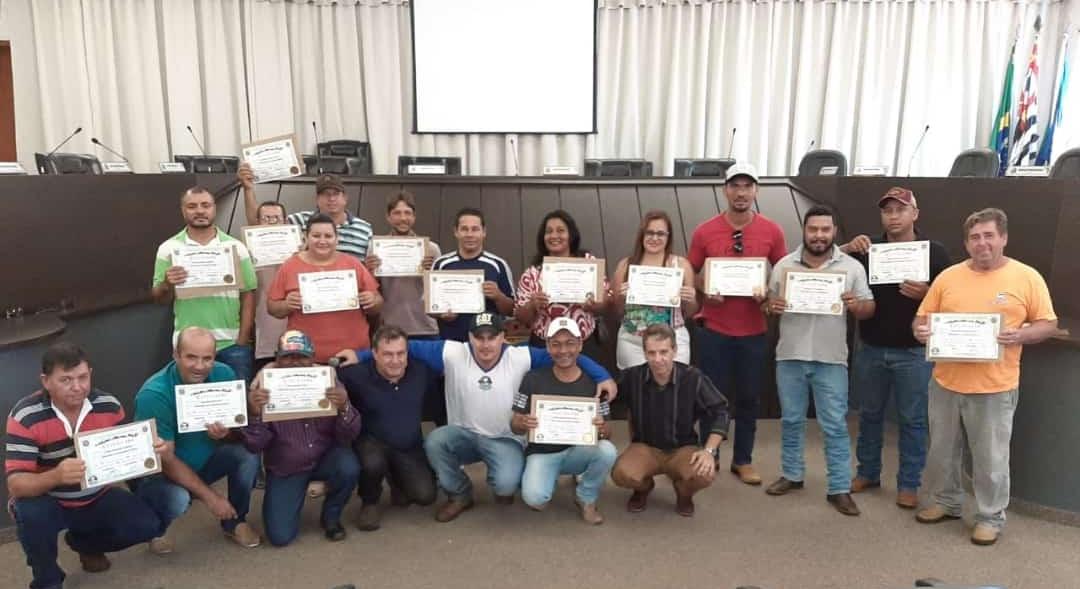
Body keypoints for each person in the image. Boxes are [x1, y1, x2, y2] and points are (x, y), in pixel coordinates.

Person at [336, 313, 616, 523]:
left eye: (492, 337)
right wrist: (361, 355)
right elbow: (406, 347)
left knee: (506, 485)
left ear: (503, 337)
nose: (485, 344)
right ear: (469, 337)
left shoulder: (521, 356)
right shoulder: (452, 352)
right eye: (479, 337)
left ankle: (506, 479)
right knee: (435, 441)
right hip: (463, 434)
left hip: (504, 438)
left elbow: (565, 354)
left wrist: (602, 375)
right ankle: (460, 494)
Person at [913, 208, 1057, 546]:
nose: (982, 243)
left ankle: (990, 517)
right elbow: (922, 318)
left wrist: (1021, 335)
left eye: (989, 235)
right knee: (942, 451)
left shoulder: (1027, 277)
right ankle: (947, 502)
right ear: (966, 243)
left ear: (1003, 238)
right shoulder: (948, 277)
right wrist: (920, 331)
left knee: (991, 459)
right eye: (975, 237)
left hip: (994, 387)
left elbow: (1047, 324)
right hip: (945, 383)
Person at [6, 342, 164, 589]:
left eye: (82, 377)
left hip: (96, 495)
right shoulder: (25, 415)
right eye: (66, 380)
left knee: (148, 526)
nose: (77, 387)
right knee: (30, 513)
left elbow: (126, 457)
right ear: (46, 381)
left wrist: (149, 451)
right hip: (49, 500)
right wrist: (56, 476)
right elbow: (16, 485)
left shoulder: (109, 405)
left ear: (90, 373)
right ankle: (48, 580)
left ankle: (85, 544)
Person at [838, 187, 951, 509]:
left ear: (915, 214)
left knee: (912, 420)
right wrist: (847, 247)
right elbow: (825, 262)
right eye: (887, 211)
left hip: (914, 353)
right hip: (871, 347)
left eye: (900, 210)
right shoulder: (867, 249)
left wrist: (927, 294)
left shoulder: (935, 253)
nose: (893, 216)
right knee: (869, 415)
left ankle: (909, 484)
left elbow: (953, 299)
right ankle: (868, 472)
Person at [764, 205, 875, 516]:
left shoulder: (852, 267)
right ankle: (792, 474)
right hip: (790, 356)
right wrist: (772, 306)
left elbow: (869, 308)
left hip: (831, 359)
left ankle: (839, 488)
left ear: (834, 231)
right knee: (791, 421)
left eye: (825, 229)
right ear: (804, 230)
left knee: (835, 425)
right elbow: (768, 304)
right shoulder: (784, 265)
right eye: (813, 229)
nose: (819, 235)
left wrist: (856, 306)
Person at [687, 163, 787, 486]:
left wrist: (768, 294)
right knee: (710, 398)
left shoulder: (772, 231)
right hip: (713, 329)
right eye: (735, 186)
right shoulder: (704, 231)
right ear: (725, 190)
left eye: (747, 186)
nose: (741, 193)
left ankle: (743, 460)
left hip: (753, 332)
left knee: (748, 399)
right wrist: (705, 288)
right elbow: (690, 273)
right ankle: (710, 455)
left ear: (756, 190)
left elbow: (783, 273)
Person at [132, 327, 262, 552]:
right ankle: (155, 530)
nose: (200, 366)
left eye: (207, 358)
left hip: (204, 461)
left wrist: (227, 434)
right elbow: (165, 460)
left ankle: (235, 521)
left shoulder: (224, 374)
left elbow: (238, 433)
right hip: (161, 473)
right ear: (176, 355)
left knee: (247, 454)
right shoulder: (154, 394)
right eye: (191, 357)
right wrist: (211, 497)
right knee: (178, 499)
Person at [242, 330, 361, 546]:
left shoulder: (328, 380)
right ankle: (304, 489)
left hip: (325, 458)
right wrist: (255, 414)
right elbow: (254, 445)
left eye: (302, 356)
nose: (295, 362)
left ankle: (331, 516)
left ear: (312, 357)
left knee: (349, 466)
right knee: (280, 537)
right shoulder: (263, 389)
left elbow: (350, 434)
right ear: (277, 358)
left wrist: (344, 406)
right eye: (288, 357)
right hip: (287, 468)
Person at [611, 324, 729, 517]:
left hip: (682, 448)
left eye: (664, 352)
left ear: (674, 350)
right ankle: (643, 488)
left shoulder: (693, 377)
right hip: (645, 447)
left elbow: (721, 410)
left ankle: (684, 492)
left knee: (705, 473)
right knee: (621, 474)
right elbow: (608, 398)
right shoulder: (632, 377)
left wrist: (709, 451)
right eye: (652, 353)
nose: (658, 359)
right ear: (644, 353)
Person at [511, 318, 617, 524]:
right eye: (556, 344)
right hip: (542, 452)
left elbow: (608, 432)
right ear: (548, 346)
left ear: (580, 345)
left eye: (570, 343)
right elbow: (514, 425)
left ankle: (586, 497)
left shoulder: (595, 383)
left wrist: (602, 428)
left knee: (607, 450)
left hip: (577, 451)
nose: (563, 350)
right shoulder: (532, 378)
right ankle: (546, 477)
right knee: (535, 499)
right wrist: (522, 423)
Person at [152, 186, 258, 383]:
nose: (200, 211)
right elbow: (159, 299)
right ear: (183, 210)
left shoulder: (236, 247)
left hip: (231, 345)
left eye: (205, 205)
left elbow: (248, 295)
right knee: (193, 401)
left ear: (214, 208)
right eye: (192, 206)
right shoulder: (168, 248)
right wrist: (167, 283)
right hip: (187, 348)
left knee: (236, 402)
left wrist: (242, 340)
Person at [337, 325, 439, 532]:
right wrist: (273, 368)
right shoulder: (354, 374)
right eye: (388, 354)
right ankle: (370, 502)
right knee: (372, 463)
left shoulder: (421, 371)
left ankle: (397, 481)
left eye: (401, 353)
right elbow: (319, 375)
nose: (395, 360)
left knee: (425, 496)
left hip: (408, 445)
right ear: (374, 354)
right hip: (372, 442)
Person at [267, 213, 383, 363]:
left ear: (337, 238)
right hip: (305, 358)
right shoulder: (289, 266)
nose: (322, 241)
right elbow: (272, 308)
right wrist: (286, 305)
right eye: (316, 236)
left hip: (353, 355)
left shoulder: (353, 264)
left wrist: (372, 300)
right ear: (306, 237)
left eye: (328, 236)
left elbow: (378, 303)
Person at [515, 209, 609, 359]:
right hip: (544, 347)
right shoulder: (532, 273)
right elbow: (520, 316)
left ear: (571, 235)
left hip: (584, 344)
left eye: (560, 231)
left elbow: (606, 304)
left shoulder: (588, 263)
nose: (554, 236)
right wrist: (532, 305)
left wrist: (594, 305)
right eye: (549, 231)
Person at [611, 210, 698, 369]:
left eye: (661, 234)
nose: (655, 238)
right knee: (636, 384)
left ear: (668, 236)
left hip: (672, 340)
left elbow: (690, 312)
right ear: (642, 234)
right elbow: (616, 311)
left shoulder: (681, 265)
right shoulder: (626, 265)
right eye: (649, 232)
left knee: (674, 383)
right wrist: (621, 298)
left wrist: (690, 299)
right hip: (633, 341)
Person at [431, 207, 515, 342]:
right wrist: (441, 314)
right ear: (456, 232)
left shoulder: (498, 265)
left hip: (488, 345)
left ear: (484, 232)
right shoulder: (441, 264)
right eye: (464, 229)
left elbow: (512, 310)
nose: (469, 234)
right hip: (451, 341)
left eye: (475, 229)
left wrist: (498, 296)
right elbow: (430, 308)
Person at [237, 163, 291, 371]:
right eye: (266, 218)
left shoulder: (299, 251)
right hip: (266, 339)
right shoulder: (250, 252)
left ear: (285, 221)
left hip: (297, 338)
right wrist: (248, 189)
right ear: (258, 222)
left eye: (276, 218)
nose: (271, 222)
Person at [365, 191, 440, 338]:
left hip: (426, 327)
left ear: (414, 216)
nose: (403, 218)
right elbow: (373, 291)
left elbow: (439, 293)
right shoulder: (375, 248)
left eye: (407, 213)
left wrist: (428, 273)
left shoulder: (431, 249)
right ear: (388, 217)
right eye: (397, 213)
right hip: (389, 328)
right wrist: (370, 272)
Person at [285, 173, 373, 259]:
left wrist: (371, 264)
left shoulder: (364, 229)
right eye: (325, 194)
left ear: (345, 198)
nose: (331, 199)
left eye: (336, 194)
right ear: (317, 199)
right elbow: (277, 234)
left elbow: (370, 263)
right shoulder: (299, 221)